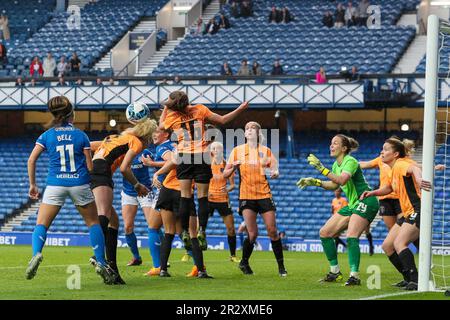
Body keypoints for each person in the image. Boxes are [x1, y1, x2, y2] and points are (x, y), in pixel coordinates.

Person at [158, 90, 249, 278]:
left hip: (184, 156)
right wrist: (240, 109)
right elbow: (223, 120)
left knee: (185, 195)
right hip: (201, 156)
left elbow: (161, 126)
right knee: (202, 197)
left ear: (172, 103)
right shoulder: (200, 109)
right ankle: (201, 230)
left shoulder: (172, 116)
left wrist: (166, 107)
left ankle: (184, 231)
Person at [25, 96, 115, 284]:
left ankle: (36, 254)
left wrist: (33, 185)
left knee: (41, 224)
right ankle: (100, 261)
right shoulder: (81, 136)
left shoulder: (47, 135)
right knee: (93, 223)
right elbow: (90, 168)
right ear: (71, 115)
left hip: (55, 184)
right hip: (79, 183)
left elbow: (31, 160)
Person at [296, 134, 379, 286]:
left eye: (335, 143)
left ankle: (354, 276)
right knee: (325, 233)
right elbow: (335, 185)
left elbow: (342, 180)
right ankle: (335, 272)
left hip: (366, 200)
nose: (331, 146)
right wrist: (315, 182)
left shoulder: (351, 161)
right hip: (353, 204)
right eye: (331, 143)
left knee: (352, 236)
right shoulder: (336, 165)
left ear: (344, 148)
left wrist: (321, 168)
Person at [89, 116, 158, 284]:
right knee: (104, 213)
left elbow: (88, 146)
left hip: (93, 169)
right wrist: (137, 185)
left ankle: (113, 272)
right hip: (102, 172)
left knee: (114, 222)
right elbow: (124, 168)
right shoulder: (137, 142)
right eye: (152, 136)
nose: (152, 140)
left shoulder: (115, 137)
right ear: (147, 135)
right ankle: (97, 255)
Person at [360, 138, 432, 291]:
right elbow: (388, 188)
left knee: (399, 243)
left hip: (417, 210)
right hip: (408, 213)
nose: (382, 152)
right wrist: (372, 192)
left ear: (396, 154)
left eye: (386, 149)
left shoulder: (401, 164)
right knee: (387, 246)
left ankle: (416, 280)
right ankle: (407, 278)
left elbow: (413, 169)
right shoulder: (393, 169)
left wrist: (419, 179)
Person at [223, 121, 287, 277]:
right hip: (246, 196)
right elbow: (225, 174)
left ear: (258, 133)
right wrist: (233, 167)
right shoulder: (237, 151)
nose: (249, 130)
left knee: (272, 230)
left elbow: (275, 170)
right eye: (247, 128)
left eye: (252, 128)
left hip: (264, 194)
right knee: (252, 234)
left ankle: (281, 267)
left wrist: (275, 173)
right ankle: (244, 262)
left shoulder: (266, 151)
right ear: (244, 134)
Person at [150, 138, 199, 277]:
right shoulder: (203, 154)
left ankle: (161, 268)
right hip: (183, 193)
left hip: (170, 190)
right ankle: (199, 268)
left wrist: (157, 172)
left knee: (167, 231)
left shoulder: (182, 149)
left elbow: (173, 162)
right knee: (187, 232)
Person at [208, 141, 240, 262]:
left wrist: (226, 189)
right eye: (213, 148)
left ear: (221, 150)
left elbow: (233, 185)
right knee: (200, 227)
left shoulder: (227, 165)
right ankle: (190, 253)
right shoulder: (206, 164)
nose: (215, 150)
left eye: (218, 148)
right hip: (208, 199)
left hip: (222, 199)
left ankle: (233, 255)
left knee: (231, 228)